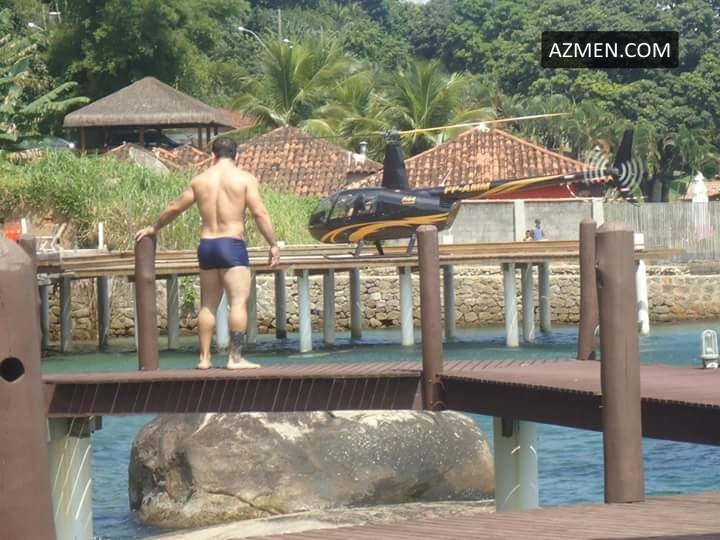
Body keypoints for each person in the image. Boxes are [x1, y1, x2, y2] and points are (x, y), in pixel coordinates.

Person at [135, 137, 280, 370]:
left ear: (213, 155)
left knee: (207, 305)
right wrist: (273, 243)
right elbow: (259, 213)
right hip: (232, 244)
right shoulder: (244, 179)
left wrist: (155, 228)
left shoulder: (200, 180)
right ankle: (235, 358)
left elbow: (175, 207)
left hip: (207, 246)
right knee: (238, 302)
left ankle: (204, 358)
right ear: (236, 155)